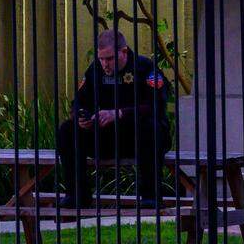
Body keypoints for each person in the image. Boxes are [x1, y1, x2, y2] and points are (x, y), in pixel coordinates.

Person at [56, 29, 170, 208]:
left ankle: (151, 196)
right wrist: (82, 117)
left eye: (109, 59)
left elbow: (157, 105)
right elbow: (79, 101)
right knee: (67, 130)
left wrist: (118, 114)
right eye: (101, 58)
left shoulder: (145, 67)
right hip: (108, 137)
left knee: (151, 127)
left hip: (139, 137)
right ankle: (76, 195)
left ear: (124, 52)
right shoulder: (95, 70)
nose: (105, 64)